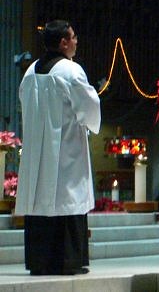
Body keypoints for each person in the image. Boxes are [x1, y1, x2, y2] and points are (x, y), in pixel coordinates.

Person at [15, 20, 101, 275]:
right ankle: (67, 261)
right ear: (63, 42)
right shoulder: (71, 71)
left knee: (40, 200)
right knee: (67, 197)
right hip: (65, 150)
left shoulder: (30, 71)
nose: (76, 41)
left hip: (36, 152)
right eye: (73, 37)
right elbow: (88, 106)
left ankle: (40, 261)